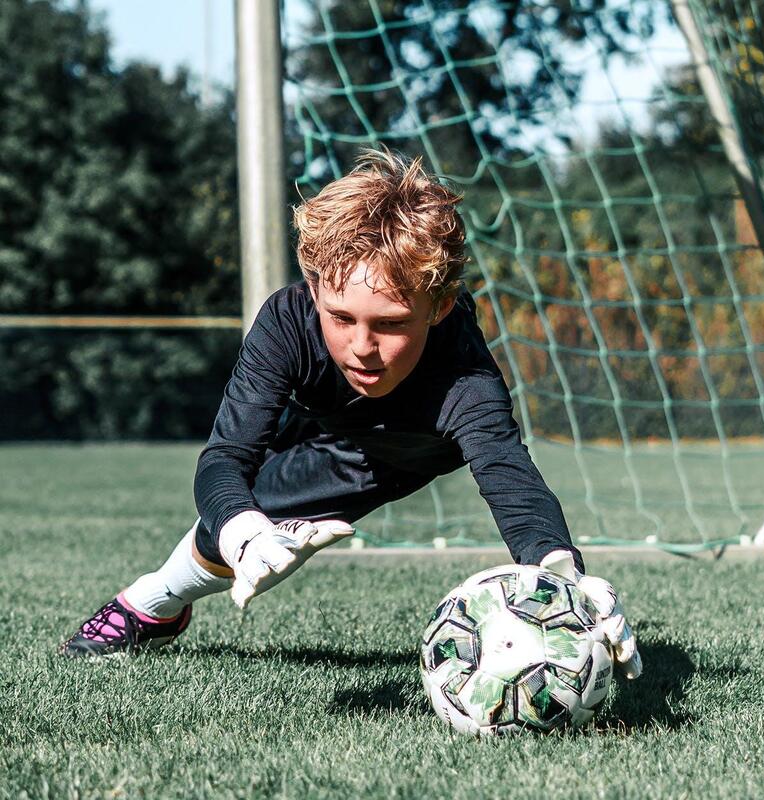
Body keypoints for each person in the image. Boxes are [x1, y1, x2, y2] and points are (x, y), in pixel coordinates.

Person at [60, 149, 641, 679]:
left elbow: (513, 483)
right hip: (315, 410)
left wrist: (564, 579)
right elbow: (224, 459)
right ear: (314, 289)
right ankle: (159, 607)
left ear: (438, 307)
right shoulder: (286, 323)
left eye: (389, 324)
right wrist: (245, 533)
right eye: (341, 318)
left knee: (252, 507)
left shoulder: (464, 380)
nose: (362, 346)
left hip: (390, 449)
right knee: (235, 517)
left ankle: (148, 603)